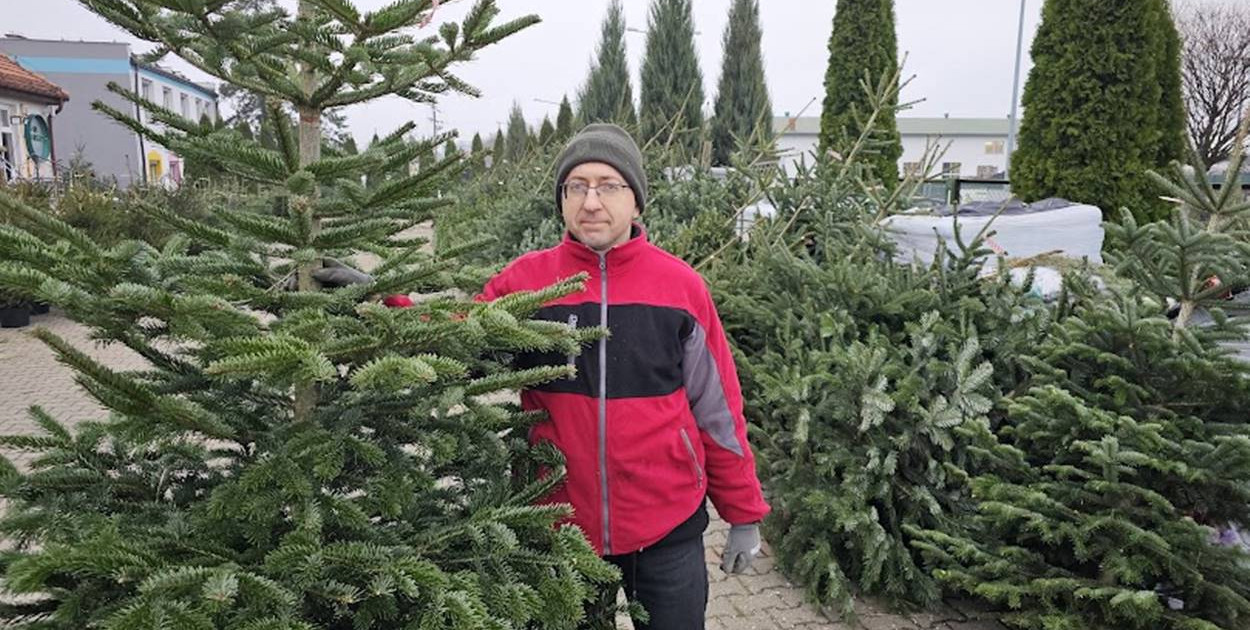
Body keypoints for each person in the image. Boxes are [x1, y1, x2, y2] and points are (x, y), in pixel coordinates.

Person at [479, 123, 770, 629]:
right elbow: (462, 340)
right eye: (577, 187)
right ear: (562, 200)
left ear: (635, 201)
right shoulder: (527, 283)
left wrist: (742, 513)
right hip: (557, 527)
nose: (591, 201)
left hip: (667, 528)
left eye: (608, 186)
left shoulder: (680, 288)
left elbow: (717, 410)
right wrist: (385, 305)